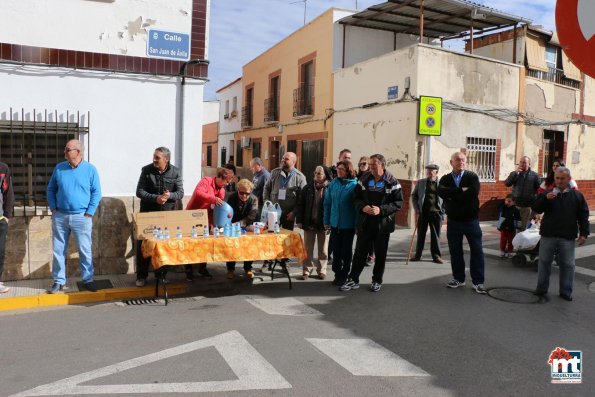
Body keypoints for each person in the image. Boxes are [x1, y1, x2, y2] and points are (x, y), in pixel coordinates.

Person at [341, 154, 403, 293]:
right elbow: (355, 198)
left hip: (383, 225)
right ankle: (353, 280)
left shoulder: (392, 181)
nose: (371, 167)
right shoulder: (364, 179)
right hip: (365, 223)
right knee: (359, 253)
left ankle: (377, 281)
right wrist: (363, 207)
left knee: (380, 255)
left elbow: (398, 203)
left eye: (374, 165)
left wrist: (381, 210)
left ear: (383, 165)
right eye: (370, 165)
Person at [47, 139, 102, 293]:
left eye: (67, 149)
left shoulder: (90, 170)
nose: (64, 152)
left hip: (81, 216)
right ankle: (58, 281)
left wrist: (89, 213)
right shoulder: (59, 168)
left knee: (85, 249)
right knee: (58, 250)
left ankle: (88, 280)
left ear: (78, 152)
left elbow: (96, 193)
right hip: (61, 216)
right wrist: (53, 208)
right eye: (65, 149)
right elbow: (51, 189)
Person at [533, 167, 589, 301]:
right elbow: (536, 208)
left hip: (567, 236)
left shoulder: (577, 196)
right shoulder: (547, 193)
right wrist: (545, 199)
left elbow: (583, 215)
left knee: (568, 265)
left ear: (568, 179)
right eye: (557, 178)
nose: (559, 181)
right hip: (549, 234)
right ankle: (541, 289)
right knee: (544, 262)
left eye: (562, 178)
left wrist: (584, 233)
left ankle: (565, 292)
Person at [135, 147, 184, 287]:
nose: (154, 160)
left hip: (166, 214)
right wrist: (156, 198)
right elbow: (139, 192)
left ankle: (161, 275)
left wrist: (170, 196)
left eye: (157, 157)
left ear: (166, 159)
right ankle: (141, 276)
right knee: (143, 244)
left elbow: (180, 192)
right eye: (154, 157)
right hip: (147, 213)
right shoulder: (146, 170)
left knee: (164, 245)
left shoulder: (175, 171)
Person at [438, 152, 486, 294]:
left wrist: (452, 196)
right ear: (451, 162)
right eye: (458, 160)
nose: (461, 162)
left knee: (477, 251)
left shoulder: (472, 177)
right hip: (453, 222)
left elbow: (472, 193)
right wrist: (459, 190)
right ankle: (459, 278)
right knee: (455, 251)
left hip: (471, 221)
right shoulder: (445, 178)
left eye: (463, 160)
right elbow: (441, 192)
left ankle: (478, 282)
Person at [186, 167, 234, 279]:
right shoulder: (206, 181)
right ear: (220, 178)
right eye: (226, 182)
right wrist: (213, 199)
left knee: (204, 245)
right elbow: (198, 193)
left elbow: (217, 209)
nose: (226, 185)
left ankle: (202, 268)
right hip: (192, 216)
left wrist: (214, 226)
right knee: (190, 245)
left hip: (206, 219)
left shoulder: (222, 190)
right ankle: (189, 269)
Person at [324, 161, 358, 285]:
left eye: (342, 169)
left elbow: (357, 208)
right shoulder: (333, 184)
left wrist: (356, 225)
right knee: (336, 251)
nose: (339, 171)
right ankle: (337, 273)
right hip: (335, 224)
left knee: (346, 251)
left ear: (348, 171)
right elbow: (327, 204)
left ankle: (344, 274)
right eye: (338, 169)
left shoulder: (354, 185)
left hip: (348, 225)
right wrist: (326, 221)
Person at [296, 165, 332, 280]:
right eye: (315, 172)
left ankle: (322, 270)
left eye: (319, 173)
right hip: (309, 222)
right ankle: (307, 271)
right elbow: (301, 205)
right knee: (307, 249)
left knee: (323, 249)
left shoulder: (330, 188)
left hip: (324, 223)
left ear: (325, 175)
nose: (317, 175)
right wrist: (300, 220)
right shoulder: (307, 188)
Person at [263, 151, 307, 230]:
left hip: (288, 215)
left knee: (286, 239)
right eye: (283, 158)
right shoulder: (274, 173)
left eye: (286, 159)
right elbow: (266, 188)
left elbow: (302, 198)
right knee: (271, 235)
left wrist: (294, 212)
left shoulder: (300, 177)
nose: (283, 160)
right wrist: (267, 203)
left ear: (294, 162)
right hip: (273, 212)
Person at [410, 164, 444, 263]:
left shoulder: (442, 184)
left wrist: (444, 213)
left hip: (436, 213)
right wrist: (417, 208)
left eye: (431, 170)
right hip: (423, 213)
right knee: (421, 235)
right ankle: (418, 255)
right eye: (427, 170)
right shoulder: (421, 182)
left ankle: (436, 256)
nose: (428, 172)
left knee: (436, 236)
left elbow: (446, 199)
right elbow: (414, 196)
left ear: (436, 172)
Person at [225, 179, 259, 279]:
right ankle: (230, 270)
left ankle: (248, 268)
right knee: (232, 246)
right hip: (233, 225)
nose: (244, 196)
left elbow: (251, 217)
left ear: (251, 192)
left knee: (249, 246)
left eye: (247, 194)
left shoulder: (254, 199)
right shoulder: (231, 197)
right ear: (238, 190)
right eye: (241, 193)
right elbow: (228, 214)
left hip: (247, 224)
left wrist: (236, 224)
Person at [504, 156, 540, 231]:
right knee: (514, 227)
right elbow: (507, 183)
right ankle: (514, 242)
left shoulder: (534, 176)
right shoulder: (515, 174)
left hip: (528, 207)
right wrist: (515, 173)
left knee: (524, 228)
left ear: (529, 164)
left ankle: (522, 242)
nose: (521, 164)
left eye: (524, 162)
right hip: (515, 206)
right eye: (520, 162)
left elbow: (539, 190)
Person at [357, 155, 374, 266]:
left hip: (370, 209)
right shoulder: (357, 177)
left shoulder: (371, 177)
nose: (362, 166)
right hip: (360, 208)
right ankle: (361, 256)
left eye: (364, 164)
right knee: (361, 234)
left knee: (371, 234)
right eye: (360, 164)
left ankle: (371, 255)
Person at [0, 161, 14, 294]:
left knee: (0, 252)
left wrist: (7, 215)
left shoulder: (3, 168)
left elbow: (8, 192)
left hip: (0, 220)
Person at [497, 194, 521, 258]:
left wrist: (518, 228)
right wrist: (499, 226)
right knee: (503, 240)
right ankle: (502, 251)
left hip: (512, 229)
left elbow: (518, 219)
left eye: (509, 201)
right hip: (503, 228)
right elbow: (500, 217)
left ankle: (509, 252)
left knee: (511, 241)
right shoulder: (503, 208)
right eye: (506, 201)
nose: (507, 202)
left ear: (513, 202)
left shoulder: (516, 210)